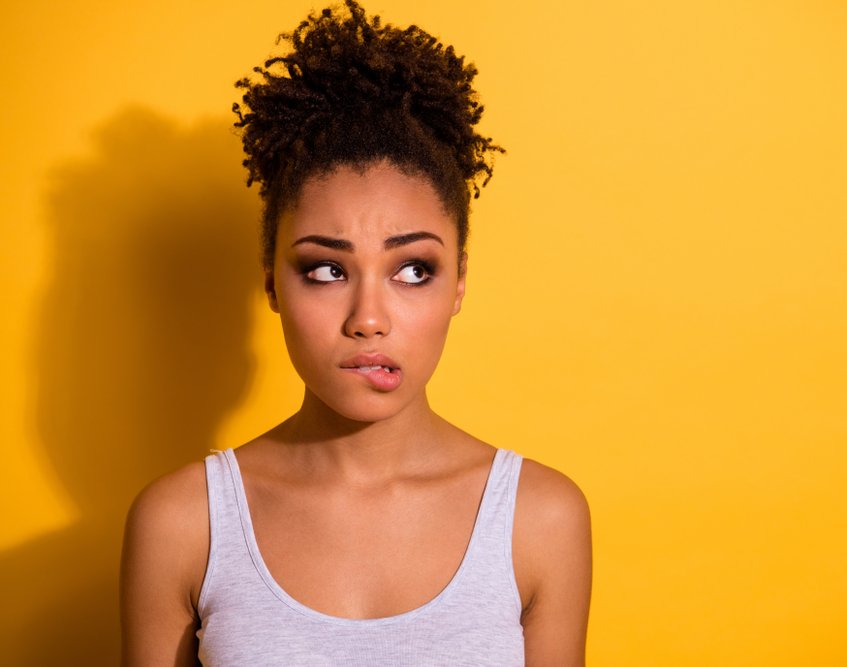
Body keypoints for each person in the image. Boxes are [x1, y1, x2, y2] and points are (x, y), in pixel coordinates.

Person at [119, 1, 592, 665]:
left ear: (458, 281)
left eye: (413, 269)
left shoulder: (539, 520)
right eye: (324, 268)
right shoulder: (181, 525)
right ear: (271, 283)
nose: (368, 317)